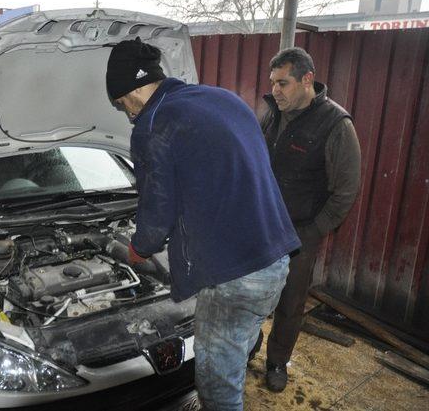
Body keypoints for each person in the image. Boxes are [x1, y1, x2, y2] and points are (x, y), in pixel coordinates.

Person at [105, 37, 301, 411]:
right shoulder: (221, 98)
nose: (126, 112)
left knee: (215, 382)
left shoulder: (154, 124)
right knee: (235, 353)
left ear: (131, 89)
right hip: (276, 258)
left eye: (120, 103)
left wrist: (138, 249)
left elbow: (157, 208)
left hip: (235, 278)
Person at [258, 47, 361, 392]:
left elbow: (346, 191)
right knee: (253, 292)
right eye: (272, 82)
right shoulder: (272, 113)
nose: (275, 90)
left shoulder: (336, 124)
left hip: (300, 231)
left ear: (307, 80)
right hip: (262, 225)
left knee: (290, 301)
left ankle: (276, 362)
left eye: (282, 83)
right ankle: (249, 346)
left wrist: (313, 231)